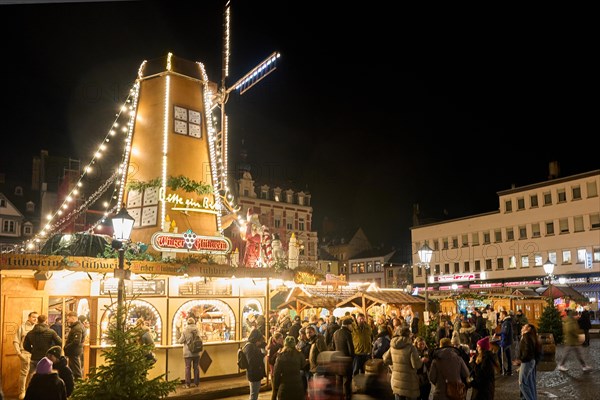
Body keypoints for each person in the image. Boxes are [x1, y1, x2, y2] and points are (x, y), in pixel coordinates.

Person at [383, 326, 422, 400]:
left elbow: (385, 359)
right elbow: (416, 365)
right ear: (408, 335)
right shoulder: (411, 348)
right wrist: (421, 361)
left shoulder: (393, 346)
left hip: (396, 381)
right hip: (409, 382)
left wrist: (394, 365)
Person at [23, 314, 62, 386]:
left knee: (32, 378)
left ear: (38, 321)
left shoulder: (30, 333)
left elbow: (25, 346)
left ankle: (31, 394)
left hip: (34, 358)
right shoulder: (51, 332)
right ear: (46, 321)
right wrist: (52, 351)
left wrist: (32, 351)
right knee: (47, 379)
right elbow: (60, 342)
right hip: (47, 358)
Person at [271, 335, 307, 400]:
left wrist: (274, 392)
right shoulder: (299, 354)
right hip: (298, 386)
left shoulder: (280, 357)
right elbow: (303, 365)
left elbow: (276, 374)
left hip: (285, 387)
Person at [13, 311, 38, 399]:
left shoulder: (37, 328)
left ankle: (29, 391)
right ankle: (22, 392)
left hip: (35, 355)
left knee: (32, 374)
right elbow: (16, 341)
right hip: (25, 353)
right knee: (24, 373)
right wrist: (19, 353)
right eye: (33, 317)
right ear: (29, 317)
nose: (35, 319)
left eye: (36, 317)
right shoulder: (22, 327)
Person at [514, 324, 541, 400]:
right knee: (529, 383)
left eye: (524, 326)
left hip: (527, 362)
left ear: (528, 328)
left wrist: (521, 360)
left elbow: (527, 351)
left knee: (522, 383)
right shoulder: (530, 336)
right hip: (530, 361)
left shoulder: (526, 336)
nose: (522, 327)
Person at [332, 317, 355, 400]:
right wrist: (352, 357)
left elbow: (333, 346)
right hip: (346, 361)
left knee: (339, 381)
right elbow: (350, 348)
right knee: (347, 381)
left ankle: (339, 397)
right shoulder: (347, 334)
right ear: (348, 325)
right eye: (351, 325)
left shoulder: (335, 333)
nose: (352, 327)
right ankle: (347, 397)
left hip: (337, 360)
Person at [178, 317, 201, 388]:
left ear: (188, 323)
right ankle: (196, 383)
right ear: (194, 322)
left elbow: (181, 341)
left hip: (188, 352)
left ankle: (188, 384)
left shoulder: (185, 330)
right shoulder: (197, 329)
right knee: (196, 367)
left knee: (188, 368)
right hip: (196, 352)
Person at [244, 328, 267, 400]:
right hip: (253, 373)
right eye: (258, 340)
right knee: (254, 394)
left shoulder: (252, 346)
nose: (259, 342)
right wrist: (261, 355)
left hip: (255, 373)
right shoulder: (250, 347)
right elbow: (251, 361)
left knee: (254, 393)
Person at [63, 311, 85, 380]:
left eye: (68, 319)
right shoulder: (77, 327)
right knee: (74, 369)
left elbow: (76, 341)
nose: (67, 320)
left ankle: (79, 387)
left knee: (76, 371)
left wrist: (67, 347)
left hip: (74, 352)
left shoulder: (77, 328)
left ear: (73, 318)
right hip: (75, 351)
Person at [494, 310, 513, 376]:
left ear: (504, 315)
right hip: (507, 341)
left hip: (505, 342)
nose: (499, 316)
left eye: (500, 315)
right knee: (508, 356)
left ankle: (503, 370)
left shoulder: (506, 323)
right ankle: (509, 370)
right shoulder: (506, 322)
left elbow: (505, 332)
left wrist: (497, 334)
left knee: (499, 354)